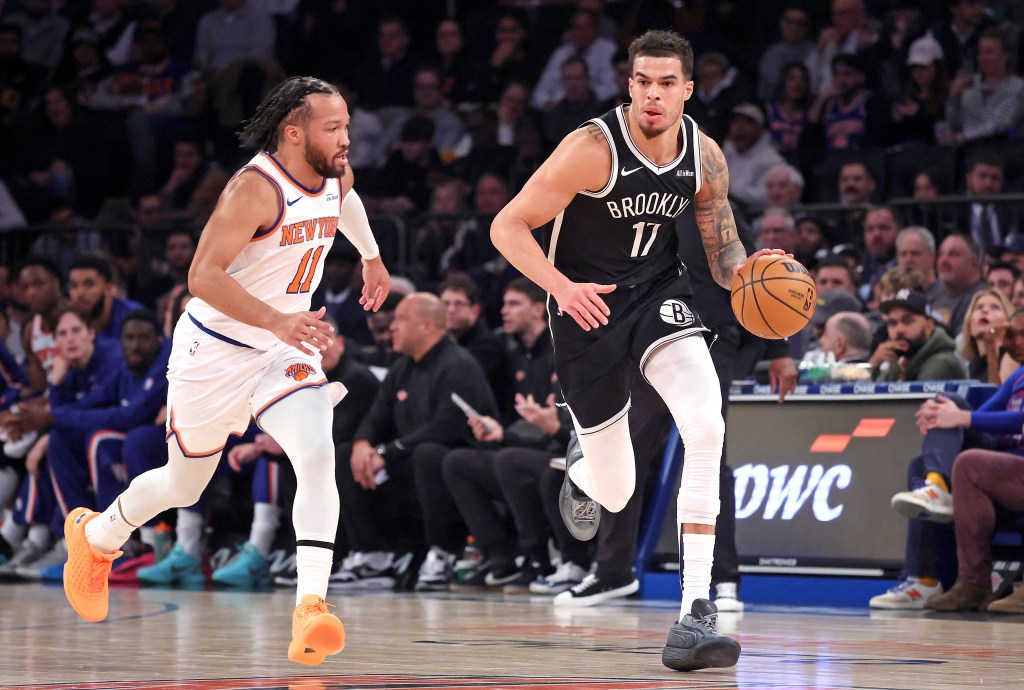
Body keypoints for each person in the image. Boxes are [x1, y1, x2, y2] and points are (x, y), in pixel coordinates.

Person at [59, 76, 391, 668]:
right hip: (215, 348)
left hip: (282, 346)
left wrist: (369, 256)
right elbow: (202, 276)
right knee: (184, 484)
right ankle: (95, 539)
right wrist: (275, 320)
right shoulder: (254, 189)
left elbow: (347, 202)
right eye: (333, 127)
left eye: (346, 125)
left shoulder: (335, 172)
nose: (346, 138)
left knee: (316, 451)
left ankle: (310, 606)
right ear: (294, 132)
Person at [490, 29, 785, 672]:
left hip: (657, 295)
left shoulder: (704, 156)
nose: (653, 94)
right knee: (617, 492)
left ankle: (696, 609)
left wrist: (756, 271)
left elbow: (722, 246)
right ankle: (581, 469)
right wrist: (561, 288)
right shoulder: (589, 149)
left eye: (666, 83)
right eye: (642, 82)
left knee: (706, 423)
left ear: (687, 89)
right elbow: (506, 225)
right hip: (586, 308)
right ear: (630, 85)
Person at [871, 309, 1024, 609]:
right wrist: (943, 414)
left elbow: (1012, 418)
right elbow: (985, 414)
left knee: (968, 460)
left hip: (1016, 466)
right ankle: (923, 579)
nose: (1015, 341)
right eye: (1011, 334)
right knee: (944, 412)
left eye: (1022, 334)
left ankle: (974, 584)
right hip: (1004, 464)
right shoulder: (1019, 375)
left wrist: (961, 417)